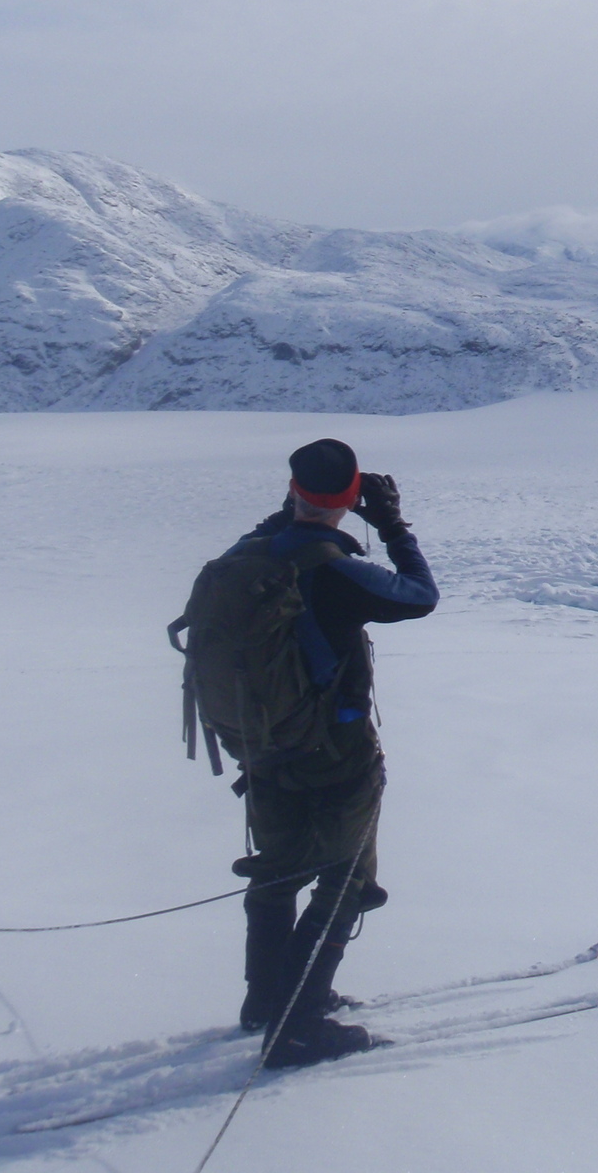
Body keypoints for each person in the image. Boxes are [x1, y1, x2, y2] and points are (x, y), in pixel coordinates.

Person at [220, 437, 438, 1065]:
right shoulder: (335, 570)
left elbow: (279, 532)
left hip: (263, 748)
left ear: (293, 491)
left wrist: (298, 508)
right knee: (346, 879)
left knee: (278, 869)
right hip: (335, 750)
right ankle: (297, 1024)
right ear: (347, 499)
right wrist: (392, 524)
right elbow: (420, 595)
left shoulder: (247, 555)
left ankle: (266, 999)